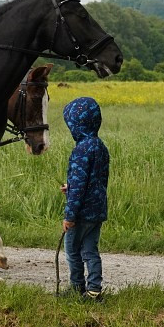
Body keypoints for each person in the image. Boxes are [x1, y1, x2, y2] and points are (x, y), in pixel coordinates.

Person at [60, 96, 110, 301]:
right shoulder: (100, 146)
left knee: (72, 250)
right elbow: (93, 180)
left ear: (76, 124)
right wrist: (70, 187)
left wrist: (69, 216)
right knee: (90, 250)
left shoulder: (81, 150)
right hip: (97, 210)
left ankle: (77, 287)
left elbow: (81, 186)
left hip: (81, 213)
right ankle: (94, 290)